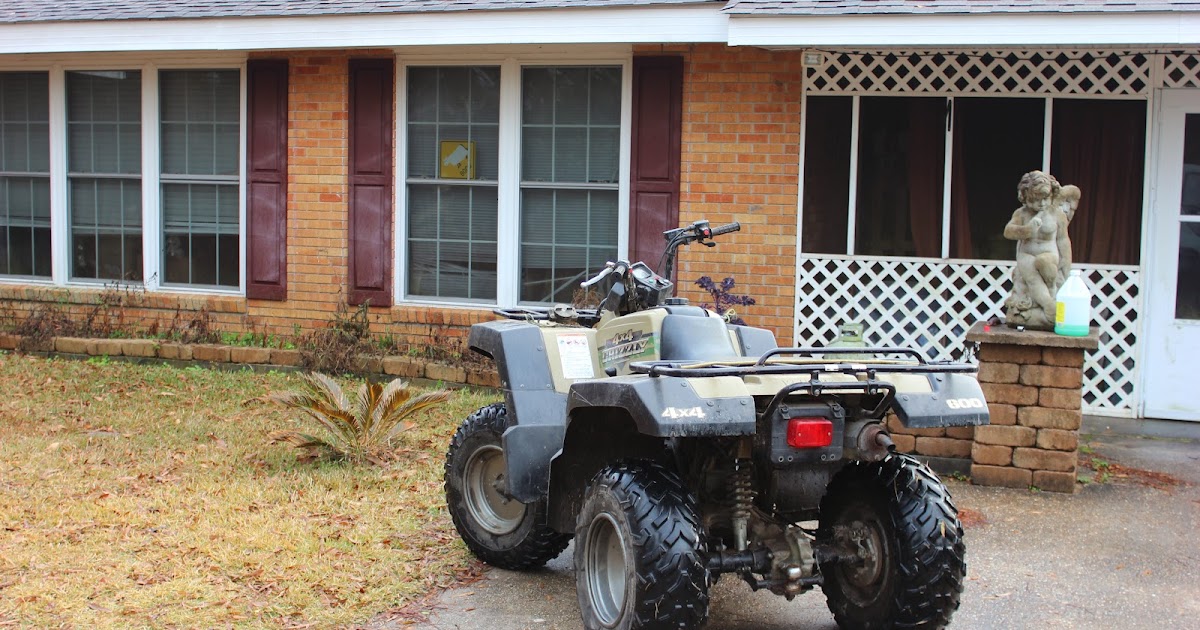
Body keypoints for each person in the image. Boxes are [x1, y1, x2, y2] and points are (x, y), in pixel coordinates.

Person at [1004, 171, 1062, 329]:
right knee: (1030, 274)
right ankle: (1049, 305)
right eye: (1036, 200)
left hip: (1049, 255)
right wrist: (1027, 230)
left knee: (1043, 263)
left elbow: (1063, 241)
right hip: (1026, 254)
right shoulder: (1021, 214)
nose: (1042, 204)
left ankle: (1051, 292)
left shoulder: (1056, 214)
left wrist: (1066, 268)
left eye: (1045, 199)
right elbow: (1008, 232)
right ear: (1025, 197)